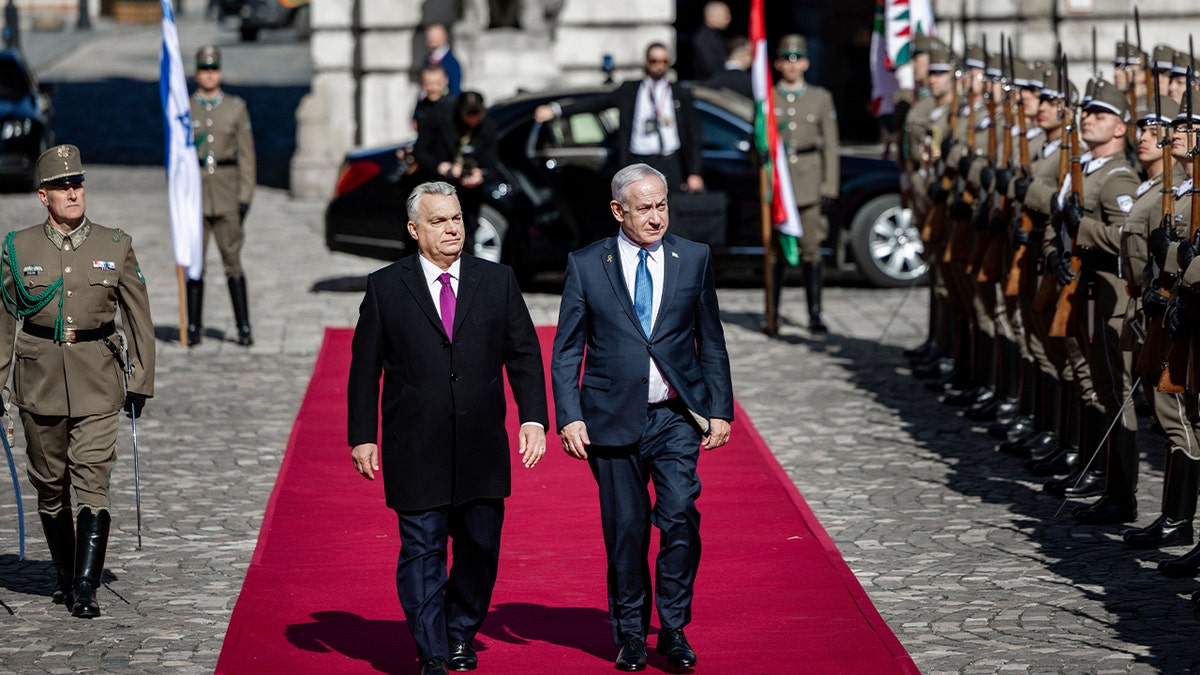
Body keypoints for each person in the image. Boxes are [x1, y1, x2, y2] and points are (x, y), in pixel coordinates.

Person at [347, 181, 548, 675]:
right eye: (438, 221)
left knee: (480, 547)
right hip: (414, 444)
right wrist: (363, 435)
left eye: (456, 218)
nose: (452, 228)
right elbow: (364, 369)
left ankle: (460, 632)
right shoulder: (386, 286)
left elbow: (523, 354)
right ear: (414, 230)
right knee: (422, 550)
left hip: (482, 445)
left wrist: (533, 418)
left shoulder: (497, 280)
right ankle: (433, 650)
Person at [551, 163, 733, 671]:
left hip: (675, 415)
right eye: (645, 208)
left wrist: (720, 408)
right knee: (626, 532)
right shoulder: (588, 264)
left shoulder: (693, 257)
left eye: (662, 206)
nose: (656, 218)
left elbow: (711, 339)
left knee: (680, 514)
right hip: (610, 418)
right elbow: (567, 350)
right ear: (618, 210)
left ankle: (673, 627)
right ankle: (630, 633)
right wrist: (569, 416)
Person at [0, 144, 155, 619]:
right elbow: (4, 323)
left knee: (92, 478)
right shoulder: (18, 248)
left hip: (98, 379)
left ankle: (86, 587)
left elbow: (139, 316)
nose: (73, 192)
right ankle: (65, 574)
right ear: (43, 196)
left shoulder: (115, 245)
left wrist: (141, 379)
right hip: (39, 379)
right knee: (50, 484)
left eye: (78, 184)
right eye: (62, 186)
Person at [534, 43, 705, 195]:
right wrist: (556, 109)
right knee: (637, 209)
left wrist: (694, 172)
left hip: (670, 161)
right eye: (654, 61)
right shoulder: (630, 90)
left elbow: (693, 134)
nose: (659, 66)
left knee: (668, 209)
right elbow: (596, 103)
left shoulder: (680, 93)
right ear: (646, 62)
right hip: (638, 159)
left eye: (664, 61)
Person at [190, 45, 257, 347]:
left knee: (233, 261)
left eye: (213, 69)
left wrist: (245, 197)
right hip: (196, 196)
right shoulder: (185, 108)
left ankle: (243, 327)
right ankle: (194, 326)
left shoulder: (235, 108)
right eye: (204, 69)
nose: (209, 74)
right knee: (195, 264)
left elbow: (247, 156)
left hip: (227, 194)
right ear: (196, 73)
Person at [773, 34, 839, 333]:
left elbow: (831, 146)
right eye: (786, 59)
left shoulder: (820, 98)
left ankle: (814, 313)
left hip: (809, 182)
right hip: (780, 185)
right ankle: (772, 312)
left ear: (806, 63)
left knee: (811, 249)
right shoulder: (768, 98)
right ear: (777, 64)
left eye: (797, 58)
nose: (792, 64)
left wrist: (828, 186)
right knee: (776, 252)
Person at [413, 91, 498, 258]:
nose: (473, 121)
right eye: (469, 116)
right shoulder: (440, 118)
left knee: (466, 237)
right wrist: (442, 167)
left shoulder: (487, 127)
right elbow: (421, 151)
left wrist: (481, 175)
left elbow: (493, 163)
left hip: (469, 195)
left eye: (477, 116)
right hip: (438, 190)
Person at [705, 35, 753, 101]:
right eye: (750, 54)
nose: (752, 59)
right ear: (742, 55)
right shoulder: (748, 81)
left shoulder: (712, 76)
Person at [691, 1, 730, 81]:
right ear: (710, 16)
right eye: (724, 16)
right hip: (709, 83)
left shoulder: (715, 34)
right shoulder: (705, 37)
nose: (728, 19)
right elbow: (710, 65)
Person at [423, 23, 462, 96]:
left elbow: (455, 89)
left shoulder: (451, 62)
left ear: (445, 37)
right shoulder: (427, 59)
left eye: (436, 36)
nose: (432, 39)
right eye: (429, 36)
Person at [412, 63, 450, 133]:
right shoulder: (421, 105)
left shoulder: (453, 106)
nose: (433, 88)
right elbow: (415, 125)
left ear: (446, 80)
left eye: (438, 83)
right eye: (428, 83)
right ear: (422, 82)